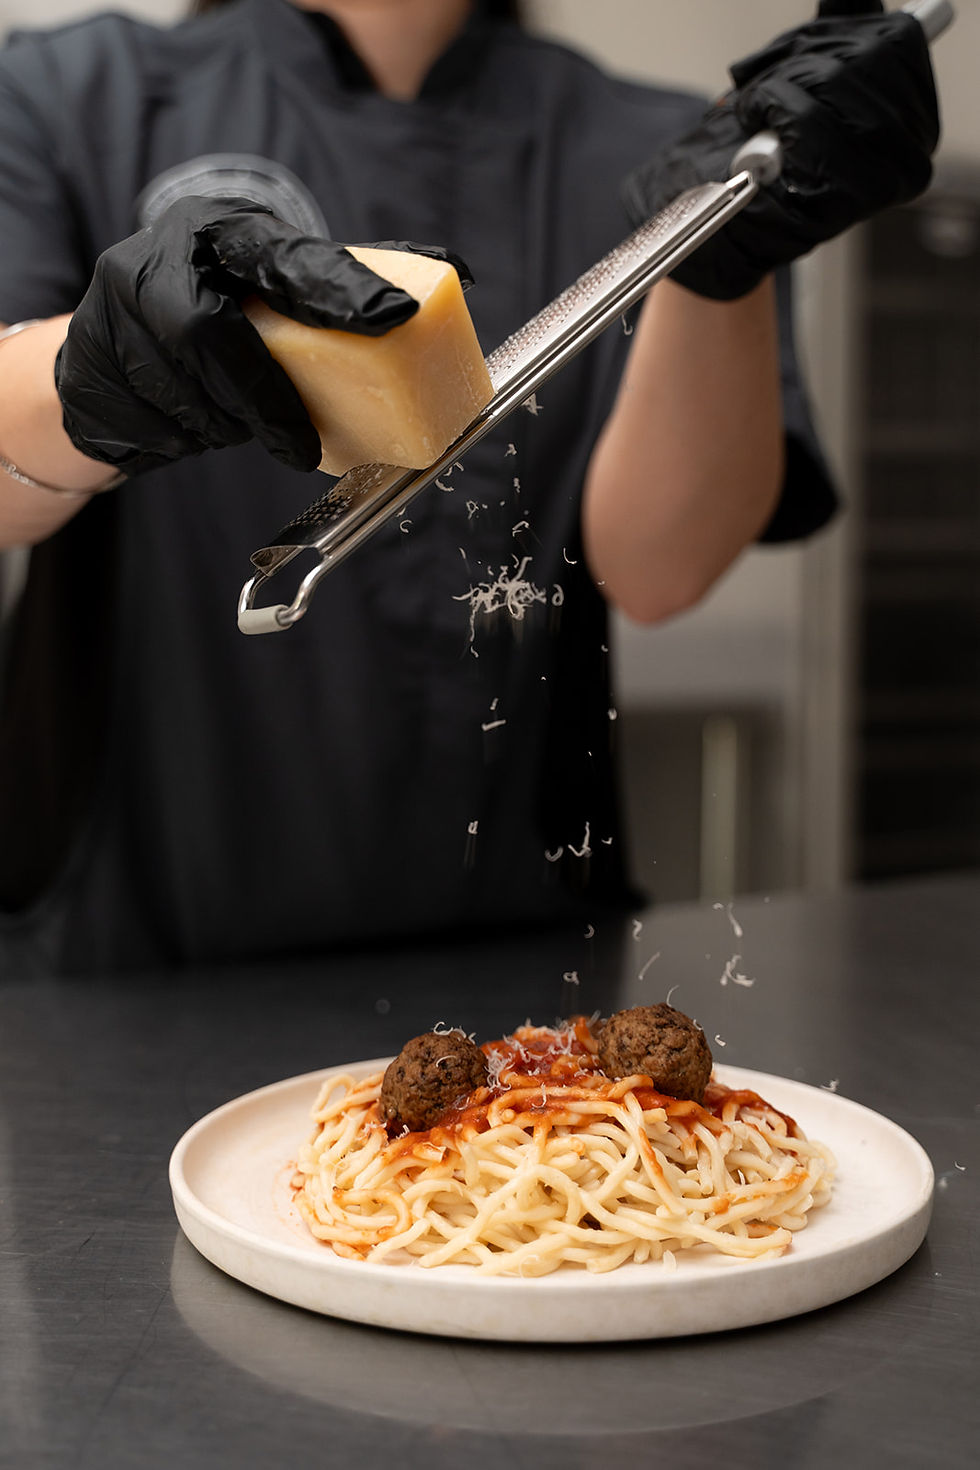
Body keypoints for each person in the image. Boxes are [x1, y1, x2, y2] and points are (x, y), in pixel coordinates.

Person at [0, 0, 939, 973]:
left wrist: (719, 263)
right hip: (132, 947)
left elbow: (658, 570)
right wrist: (90, 374)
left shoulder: (668, 147)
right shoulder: (74, 96)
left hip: (518, 959)